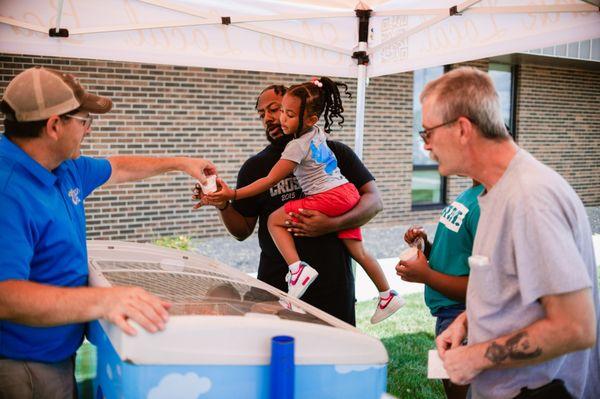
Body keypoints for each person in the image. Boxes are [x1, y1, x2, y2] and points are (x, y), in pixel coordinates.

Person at [0, 67, 216, 398]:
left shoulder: (64, 166)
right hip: (25, 366)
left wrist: (180, 162)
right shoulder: (8, 191)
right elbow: (6, 296)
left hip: (56, 352)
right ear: (54, 125)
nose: (88, 130)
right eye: (84, 120)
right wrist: (105, 299)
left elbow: (118, 166)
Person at [419, 66, 598, 398]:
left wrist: (474, 357)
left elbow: (575, 327)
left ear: (461, 128)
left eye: (427, 132)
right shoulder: (494, 191)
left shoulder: (530, 198)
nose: (426, 146)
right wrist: (467, 321)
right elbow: (511, 290)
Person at [206, 77, 402, 324]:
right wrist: (223, 202)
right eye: (261, 113)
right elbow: (241, 231)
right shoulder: (254, 167)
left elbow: (374, 201)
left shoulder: (336, 152)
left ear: (301, 112)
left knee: (332, 358)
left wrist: (332, 224)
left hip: (333, 291)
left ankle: (385, 294)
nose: (268, 118)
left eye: (276, 110)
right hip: (277, 291)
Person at [397, 180, 483, 399]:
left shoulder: (485, 204)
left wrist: (425, 276)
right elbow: (455, 255)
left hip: (463, 317)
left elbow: (483, 288)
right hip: (447, 315)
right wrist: (426, 245)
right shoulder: (470, 193)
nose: (429, 149)